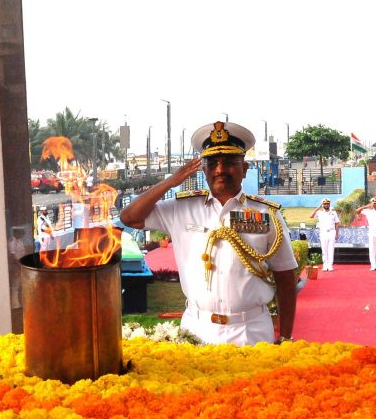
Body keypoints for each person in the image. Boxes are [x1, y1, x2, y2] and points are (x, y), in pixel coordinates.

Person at [119, 120, 298, 346]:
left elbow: (285, 277)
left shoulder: (266, 214)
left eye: (230, 162)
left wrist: (286, 336)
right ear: (204, 170)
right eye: (212, 164)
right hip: (196, 329)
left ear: (244, 169)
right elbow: (129, 217)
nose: (220, 170)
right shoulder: (180, 208)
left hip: (250, 332)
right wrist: (170, 182)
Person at [356, 197, 376, 270]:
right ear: (372, 203)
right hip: (372, 231)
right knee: (372, 248)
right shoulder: (368, 211)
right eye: (374, 203)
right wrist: (366, 206)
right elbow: (357, 211)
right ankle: (373, 265)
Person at [310, 198, 340, 271]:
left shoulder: (333, 212)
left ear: (329, 204)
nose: (326, 205)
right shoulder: (319, 212)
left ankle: (330, 265)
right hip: (323, 232)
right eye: (325, 204)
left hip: (332, 232)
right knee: (324, 249)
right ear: (322, 205)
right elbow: (311, 216)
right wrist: (318, 208)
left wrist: (337, 234)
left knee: (331, 249)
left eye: (327, 203)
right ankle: (325, 265)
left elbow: (337, 223)